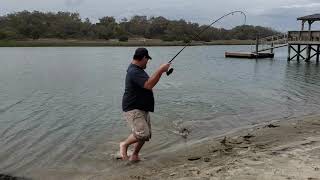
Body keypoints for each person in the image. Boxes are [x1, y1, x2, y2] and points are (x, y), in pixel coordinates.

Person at [120, 47, 170, 161]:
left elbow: (149, 83)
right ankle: (124, 144)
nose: (148, 62)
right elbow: (148, 85)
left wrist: (161, 72)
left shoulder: (138, 70)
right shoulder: (134, 71)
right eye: (147, 59)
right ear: (143, 58)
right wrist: (160, 70)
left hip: (141, 107)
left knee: (146, 135)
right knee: (143, 134)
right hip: (133, 108)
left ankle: (134, 155)